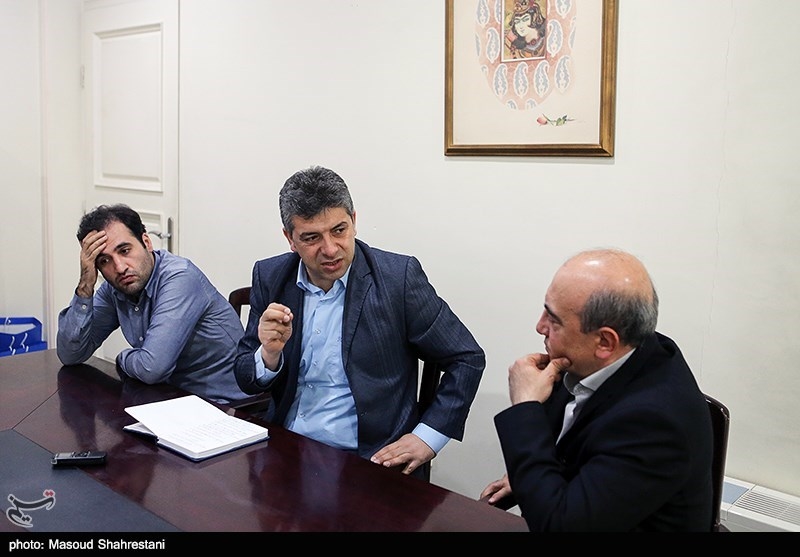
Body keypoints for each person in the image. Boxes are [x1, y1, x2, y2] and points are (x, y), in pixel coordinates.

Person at [234, 165, 485, 479]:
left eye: (339, 230)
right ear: (290, 238)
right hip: (286, 450)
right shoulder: (271, 276)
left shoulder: (397, 279)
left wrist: (428, 438)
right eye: (311, 237)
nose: (330, 249)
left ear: (353, 220)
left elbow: (467, 358)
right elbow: (245, 376)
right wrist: (269, 355)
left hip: (369, 460)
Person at [480, 248, 713, 531]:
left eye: (554, 320)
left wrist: (525, 406)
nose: (540, 327)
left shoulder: (654, 423)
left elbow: (559, 527)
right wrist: (530, 480)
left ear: (604, 342)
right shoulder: (610, 354)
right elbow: (572, 448)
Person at [57, 203, 248, 405]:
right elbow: (70, 354)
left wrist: (122, 358)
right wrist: (85, 285)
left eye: (124, 250)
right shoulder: (115, 288)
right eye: (104, 261)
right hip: (169, 399)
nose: (119, 267)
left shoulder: (180, 278)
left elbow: (152, 369)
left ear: (146, 242)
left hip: (228, 407)